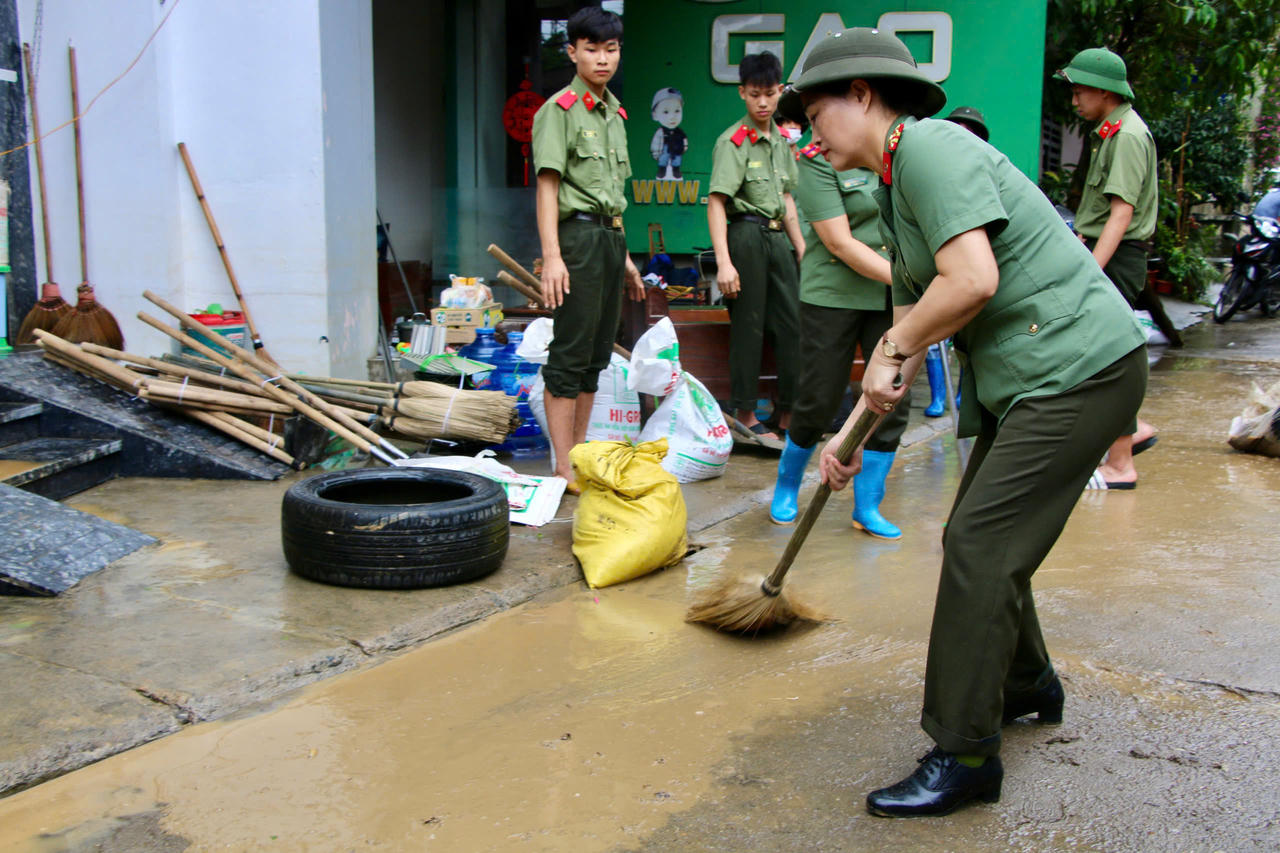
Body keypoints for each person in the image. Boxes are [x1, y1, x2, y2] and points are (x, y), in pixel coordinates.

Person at [795, 27, 1148, 817]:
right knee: (984, 538)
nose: (809, 131)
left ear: (860, 94)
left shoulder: (929, 149)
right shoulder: (894, 181)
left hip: (1078, 370)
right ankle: (1025, 682)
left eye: (815, 111)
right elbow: (908, 330)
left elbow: (972, 280)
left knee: (980, 545)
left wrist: (896, 342)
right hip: (1041, 377)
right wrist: (846, 435)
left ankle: (965, 753)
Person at [768, 87, 910, 539]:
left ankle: (867, 506)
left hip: (891, 296)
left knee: (892, 396)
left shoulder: (893, 150)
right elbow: (838, 242)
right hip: (834, 291)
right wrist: (913, 282)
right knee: (819, 396)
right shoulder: (814, 157)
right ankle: (788, 485)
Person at [531, 7, 645, 489]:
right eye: (592, 49)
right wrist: (553, 256)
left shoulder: (615, 113)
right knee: (571, 352)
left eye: (611, 49)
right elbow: (548, 188)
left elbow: (609, 196)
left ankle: (577, 456)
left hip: (608, 238)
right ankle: (562, 465)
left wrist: (625, 259)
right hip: (575, 240)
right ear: (573, 51)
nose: (602, 59)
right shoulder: (557, 111)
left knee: (597, 355)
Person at [1057, 47, 1160, 488]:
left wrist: (1091, 272)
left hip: (1116, 256)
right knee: (1103, 350)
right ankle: (1130, 435)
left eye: (1080, 91)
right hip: (1105, 251)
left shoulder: (1128, 136)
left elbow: (1121, 213)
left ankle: (1121, 464)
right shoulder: (1112, 132)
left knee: (1107, 354)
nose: (1075, 100)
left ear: (1103, 91)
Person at [707, 52, 805, 440]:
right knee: (748, 327)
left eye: (769, 94)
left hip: (779, 236)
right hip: (745, 236)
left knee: (792, 326)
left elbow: (788, 198)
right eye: (754, 95)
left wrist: (802, 248)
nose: (763, 103)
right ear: (742, 94)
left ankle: (787, 415)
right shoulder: (733, 141)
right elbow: (716, 202)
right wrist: (724, 263)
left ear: (780, 91)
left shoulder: (781, 142)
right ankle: (746, 414)